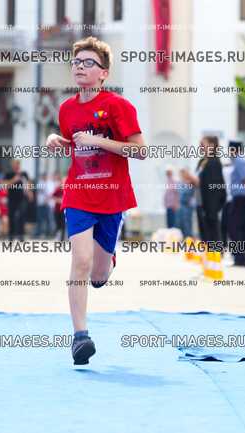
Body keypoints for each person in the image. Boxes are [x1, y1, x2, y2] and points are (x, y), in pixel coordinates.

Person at [45, 36, 146, 365]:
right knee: (81, 261)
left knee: (99, 274)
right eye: (76, 62)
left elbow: (140, 151)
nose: (79, 67)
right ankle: (80, 337)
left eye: (88, 63)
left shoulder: (118, 106)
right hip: (78, 193)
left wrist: (98, 141)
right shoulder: (66, 109)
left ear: (104, 73)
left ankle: (109, 258)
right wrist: (56, 139)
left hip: (112, 196)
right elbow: (74, 145)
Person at [228, 140, 245, 266]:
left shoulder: (239, 160)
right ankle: (244, 258)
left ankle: (239, 257)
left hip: (241, 198)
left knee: (234, 227)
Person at [197, 135, 226, 251]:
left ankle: (216, 253)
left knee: (212, 229)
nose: (200, 147)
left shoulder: (214, 162)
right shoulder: (203, 161)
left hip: (210, 203)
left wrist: (212, 207)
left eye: (203, 144)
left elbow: (213, 186)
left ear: (212, 146)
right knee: (204, 231)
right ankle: (209, 253)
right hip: (201, 201)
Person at [3, 159, 31, 241]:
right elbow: (4, 185)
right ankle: (11, 235)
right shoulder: (9, 174)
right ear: (12, 165)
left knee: (21, 216)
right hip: (11, 198)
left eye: (18, 164)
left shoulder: (24, 174)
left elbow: (28, 184)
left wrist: (29, 192)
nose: (17, 166)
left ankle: (21, 235)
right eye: (15, 164)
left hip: (22, 198)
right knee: (11, 216)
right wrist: (14, 180)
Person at [177, 167, 196, 237]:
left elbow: (187, 194)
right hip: (181, 206)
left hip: (187, 206)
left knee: (187, 224)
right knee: (180, 223)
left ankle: (189, 238)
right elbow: (179, 193)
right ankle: (184, 238)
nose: (182, 175)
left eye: (183, 173)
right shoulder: (180, 182)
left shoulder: (190, 183)